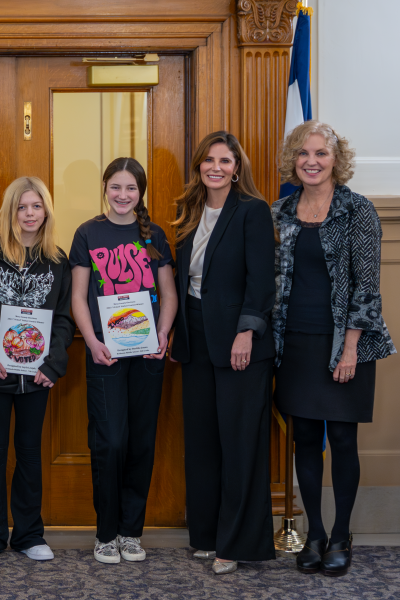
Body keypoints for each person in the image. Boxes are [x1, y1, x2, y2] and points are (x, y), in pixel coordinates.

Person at [272, 121, 396, 577]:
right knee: (305, 438)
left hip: (347, 344)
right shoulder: (280, 211)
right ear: (293, 158)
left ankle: (343, 534)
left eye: (321, 153)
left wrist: (349, 349)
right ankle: (316, 533)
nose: (311, 161)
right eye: (304, 153)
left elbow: (368, 287)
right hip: (296, 345)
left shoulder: (357, 210)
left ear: (335, 160)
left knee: (342, 438)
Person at [169, 131, 277, 574]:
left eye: (226, 161)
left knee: (239, 442)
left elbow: (262, 280)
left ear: (237, 168)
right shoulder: (188, 212)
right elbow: (183, 281)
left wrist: (246, 332)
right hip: (194, 339)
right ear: (199, 166)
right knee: (202, 441)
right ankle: (209, 535)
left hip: (239, 342)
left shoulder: (253, 211)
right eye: (209, 160)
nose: (216, 167)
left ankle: (236, 544)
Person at [69, 157, 177, 565]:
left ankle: (132, 533)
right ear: (105, 188)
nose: (122, 195)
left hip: (148, 353)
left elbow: (168, 295)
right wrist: (92, 341)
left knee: (140, 443)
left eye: (131, 188)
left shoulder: (156, 236)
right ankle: (105, 533)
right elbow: (78, 297)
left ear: (140, 193)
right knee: (110, 442)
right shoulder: (88, 233)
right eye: (116, 187)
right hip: (106, 355)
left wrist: (163, 334)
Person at [0, 176, 74, 563]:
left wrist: (53, 364)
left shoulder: (58, 261)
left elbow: (63, 319)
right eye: (22, 207)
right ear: (11, 212)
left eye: (37, 206)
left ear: (46, 211)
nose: (30, 214)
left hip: (38, 375)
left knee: (29, 452)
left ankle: (28, 534)